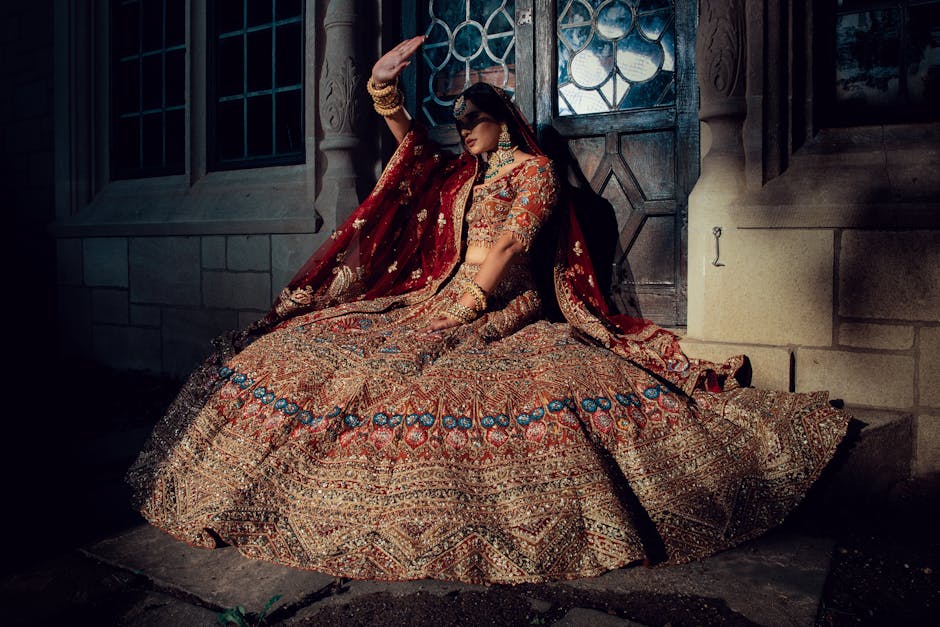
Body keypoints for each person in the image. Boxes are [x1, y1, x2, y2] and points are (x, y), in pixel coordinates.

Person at [127, 37, 850, 584]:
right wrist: (382, 89)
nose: (464, 128)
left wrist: (468, 306)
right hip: (440, 294)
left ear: (503, 120)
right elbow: (411, 152)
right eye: (459, 120)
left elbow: (511, 243)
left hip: (507, 303)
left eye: (475, 119)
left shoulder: (535, 173)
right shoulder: (462, 174)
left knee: (423, 377)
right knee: (308, 346)